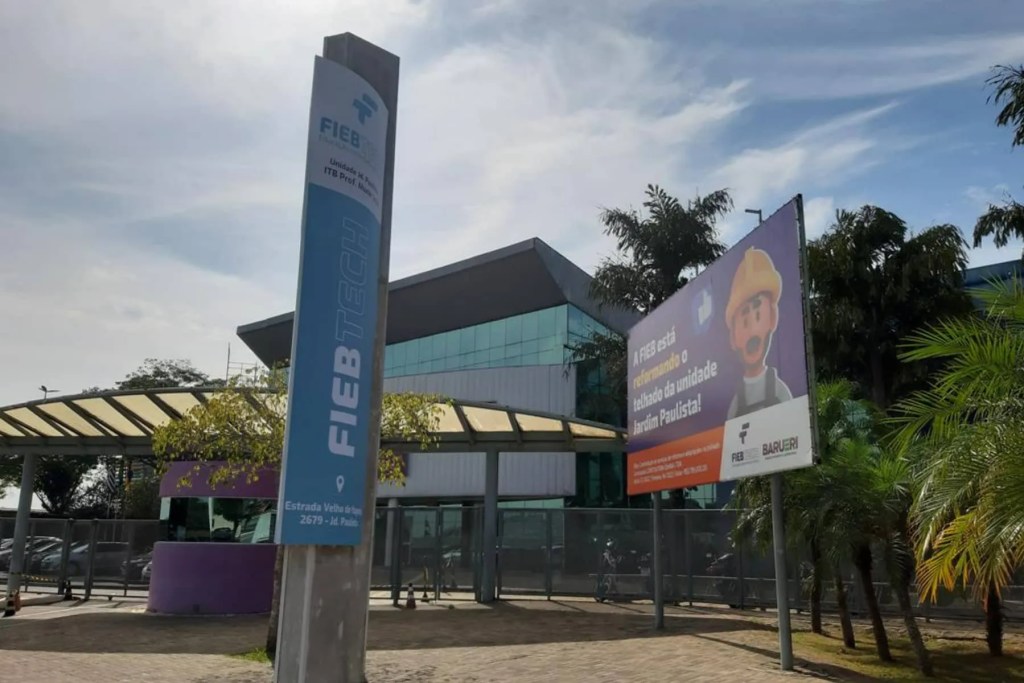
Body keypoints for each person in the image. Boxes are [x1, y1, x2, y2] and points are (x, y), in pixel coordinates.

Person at [725, 247, 793, 420]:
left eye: (758, 315)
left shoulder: (779, 391)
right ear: (733, 338)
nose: (752, 331)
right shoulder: (735, 403)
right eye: (745, 321)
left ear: (773, 318)